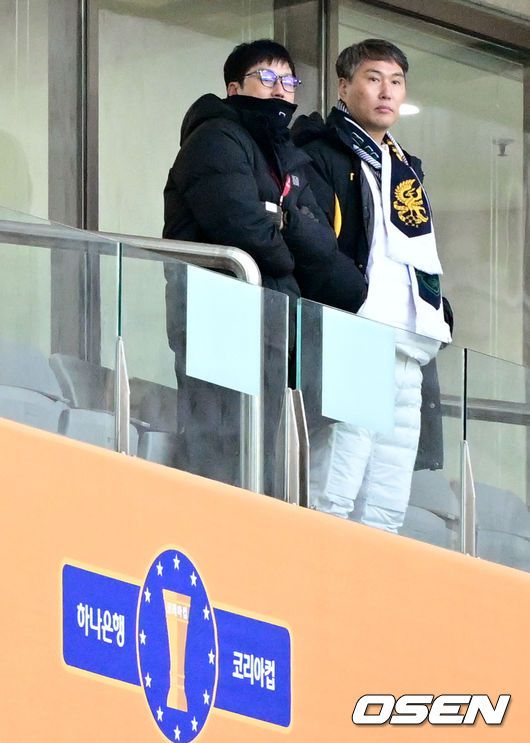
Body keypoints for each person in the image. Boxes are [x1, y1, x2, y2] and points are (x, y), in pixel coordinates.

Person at [163, 39, 358, 487]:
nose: (279, 88)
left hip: (272, 322)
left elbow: (322, 242)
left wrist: (284, 226)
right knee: (218, 452)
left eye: (288, 80)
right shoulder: (214, 138)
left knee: (265, 458)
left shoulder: (285, 154)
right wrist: (291, 246)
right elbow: (242, 227)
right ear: (234, 88)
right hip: (219, 319)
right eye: (266, 77)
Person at [292, 39, 452, 533]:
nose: (387, 91)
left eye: (396, 82)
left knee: (387, 503)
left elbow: (413, 256)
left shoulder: (405, 168)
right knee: (334, 488)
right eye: (374, 78)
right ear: (344, 87)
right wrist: (357, 298)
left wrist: (439, 310)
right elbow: (312, 241)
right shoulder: (320, 153)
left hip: (410, 347)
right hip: (358, 335)